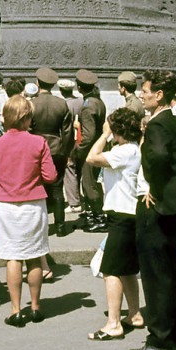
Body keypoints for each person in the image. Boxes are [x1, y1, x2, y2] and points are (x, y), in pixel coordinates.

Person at [129, 70, 176, 350]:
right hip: (174, 207)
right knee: (171, 268)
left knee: (155, 273)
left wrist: (156, 186)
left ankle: (160, 338)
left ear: (159, 95)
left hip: (155, 206)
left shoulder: (156, 125)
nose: (141, 95)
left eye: (145, 91)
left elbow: (156, 157)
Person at [0, 95, 57, 327]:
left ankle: (15, 310)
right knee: (34, 256)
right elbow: (51, 176)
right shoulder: (38, 143)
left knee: (13, 257)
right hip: (34, 204)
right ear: (26, 118)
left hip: (5, 206)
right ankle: (35, 307)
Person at [85, 108, 144, 340]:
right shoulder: (131, 150)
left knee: (110, 270)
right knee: (127, 270)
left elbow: (91, 158)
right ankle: (135, 314)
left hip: (122, 215)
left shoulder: (125, 151)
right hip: (128, 214)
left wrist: (104, 135)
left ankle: (113, 323)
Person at [30, 66, 73, 238]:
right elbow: (68, 132)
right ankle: (61, 226)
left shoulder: (32, 103)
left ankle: (40, 227)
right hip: (57, 149)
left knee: (36, 187)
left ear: (37, 83)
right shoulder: (61, 103)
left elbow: (28, 128)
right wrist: (66, 150)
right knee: (57, 188)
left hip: (35, 149)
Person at [74, 70, 106, 232]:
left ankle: (98, 218)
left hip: (89, 151)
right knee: (93, 183)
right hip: (97, 148)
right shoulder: (98, 102)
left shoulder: (87, 106)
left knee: (89, 184)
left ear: (79, 88)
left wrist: (79, 151)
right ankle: (95, 216)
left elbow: (88, 135)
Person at [57, 78, 83, 212]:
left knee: (69, 169)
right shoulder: (80, 101)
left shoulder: (64, 104)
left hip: (70, 140)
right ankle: (78, 195)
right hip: (80, 138)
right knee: (78, 169)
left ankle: (74, 202)